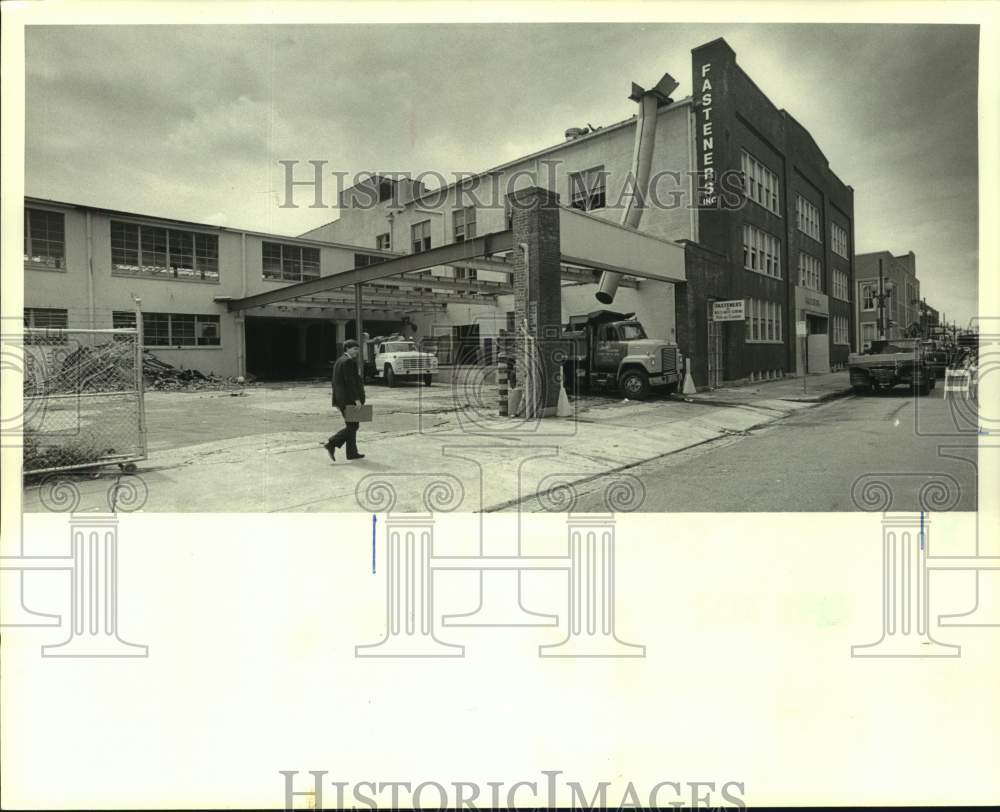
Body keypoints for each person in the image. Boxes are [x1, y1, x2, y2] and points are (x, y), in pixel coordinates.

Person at [324, 339, 366, 461]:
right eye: (355, 349)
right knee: (353, 426)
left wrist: (335, 401)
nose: (357, 352)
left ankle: (352, 453)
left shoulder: (339, 361)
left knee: (352, 425)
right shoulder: (348, 362)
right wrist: (357, 399)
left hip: (342, 400)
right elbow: (350, 383)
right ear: (347, 349)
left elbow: (334, 383)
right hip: (349, 400)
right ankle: (331, 443)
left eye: (358, 349)